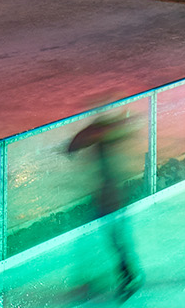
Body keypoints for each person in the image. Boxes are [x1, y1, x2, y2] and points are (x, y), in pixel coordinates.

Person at [65, 111, 142, 299]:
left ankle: (129, 275)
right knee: (113, 239)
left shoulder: (107, 147)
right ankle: (126, 274)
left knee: (116, 239)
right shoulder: (106, 146)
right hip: (107, 198)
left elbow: (75, 147)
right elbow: (74, 148)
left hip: (111, 200)